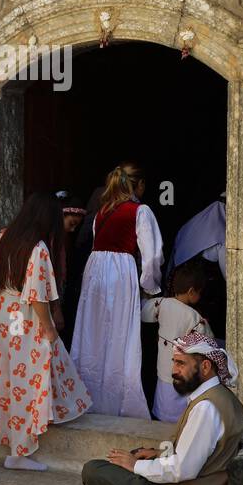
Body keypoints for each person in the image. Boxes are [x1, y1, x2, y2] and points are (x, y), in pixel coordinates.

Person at [0, 192, 92, 472]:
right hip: (23, 313)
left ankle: (12, 437)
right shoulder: (37, 249)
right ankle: (20, 450)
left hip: (3, 309)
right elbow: (37, 296)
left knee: (9, 374)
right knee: (27, 377)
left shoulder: (4, 236)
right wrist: (49, 328)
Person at [81, 329, 243, 485]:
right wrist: (157, 455)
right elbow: (199, 454)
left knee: (94, 472)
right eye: (174, 363)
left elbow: (182, 469)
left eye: (181, 363)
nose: (174, 371)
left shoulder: (206, 407)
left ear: (206, 367)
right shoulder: (219, 395)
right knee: (136, 456)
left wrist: (135, 466)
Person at [70, 162, 163, 419]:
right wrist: (150, 286)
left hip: (96, 270)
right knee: (121, 334)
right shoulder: (140, 211)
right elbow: (152, 255)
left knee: (93, 333)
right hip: (121, 270)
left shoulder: (101, 212)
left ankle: (87, 396)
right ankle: (116, 400)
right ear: (140, 185)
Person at [141, 260, 210, 424]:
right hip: (182, 373)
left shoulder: (161, 304)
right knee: (180, 410)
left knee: (162, 403)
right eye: (200, 292)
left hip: (162, 367)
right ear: (192, 291)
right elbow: (208, 342)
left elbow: (144, 312)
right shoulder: (195, 318)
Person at [51, 190, 86, 347]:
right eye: (72, 224)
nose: (72, 230)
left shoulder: (62, 238)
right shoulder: (50, 240)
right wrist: (57, 308)